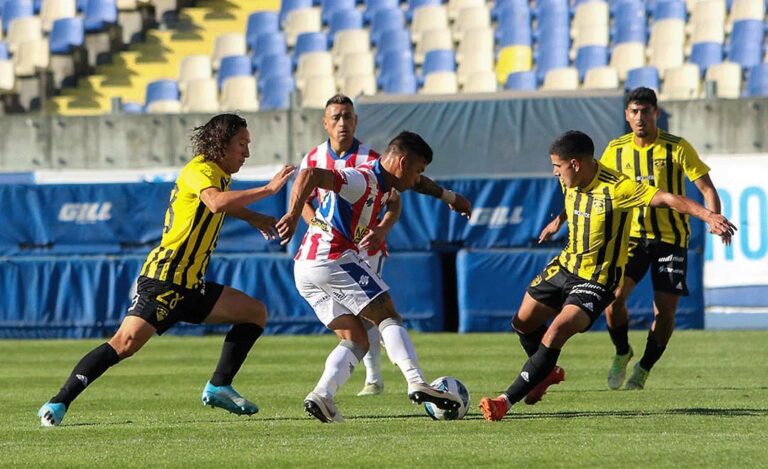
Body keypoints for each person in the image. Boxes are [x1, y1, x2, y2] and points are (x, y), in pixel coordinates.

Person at [37, 114, 295, 427]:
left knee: (254, 312)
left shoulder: (219, 173)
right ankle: (58, 403)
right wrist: (269, 189)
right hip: (165, 280)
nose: (247, 153)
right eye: (242, 145)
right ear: (222, 145)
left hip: (191, 283)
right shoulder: (200, 170)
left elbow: (220, 204)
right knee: (124, 344)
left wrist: (253, 217)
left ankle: (219, 386)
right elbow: (215, 203)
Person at [478, 130, 735, 422]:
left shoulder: (619, 188)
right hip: (564, 266)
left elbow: (667, 198)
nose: (554, 173)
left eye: (557, 167)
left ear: (575, 164)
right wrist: (558, 221)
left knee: (556, 332)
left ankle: (504, 401)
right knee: (522, 323)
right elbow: (573, 202)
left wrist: (709, 217)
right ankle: (544, 374)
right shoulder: (570, 181)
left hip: (597, 280)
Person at [276, 131, 472, 423]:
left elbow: (419, 185)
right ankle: (416, 380)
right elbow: (310, 174)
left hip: (305, 269)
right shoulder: (361, 179)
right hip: (332, 258)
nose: (417, 177)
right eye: (417, 169)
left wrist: (450, 197)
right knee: (387, 315)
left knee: (356, 338)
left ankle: (322, 395)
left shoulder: (385, 180)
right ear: (402, 162)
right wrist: (293, 215)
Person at [600, 87, 726, 390]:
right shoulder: (615, 150)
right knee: (613, 299)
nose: (640, 117)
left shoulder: (677, 147)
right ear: (627, 116)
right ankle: (622, 352)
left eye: (646, 111)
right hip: (631, 237)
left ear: (656, 113)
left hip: (671, 239)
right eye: (634, 111)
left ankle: (643, 367)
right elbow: (596, 188)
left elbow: (707, 189)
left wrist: (714, 219)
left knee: (665, 310)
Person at [298, 94, 400, 397]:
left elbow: (394, 203)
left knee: (371, 312)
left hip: (367, 247)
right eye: (337, 117)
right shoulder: (313, 158)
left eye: (348, 117)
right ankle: (377, 375)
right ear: (326, 123)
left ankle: (374, 378)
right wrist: (316, 224)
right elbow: (303, 198)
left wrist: (382, 229)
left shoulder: (371, 158)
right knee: (353, 316)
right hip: (330, 251)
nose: (343, 123)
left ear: (356, 121)